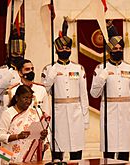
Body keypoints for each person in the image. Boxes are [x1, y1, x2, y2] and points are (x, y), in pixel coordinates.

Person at [90, 21, 130, 161]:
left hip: (126, 113)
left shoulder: (129, 68)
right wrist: (102, 78)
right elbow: (94, 94)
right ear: (109, 50)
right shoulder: (101, 69)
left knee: (124, 151)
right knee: (109, 150)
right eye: (115, 48)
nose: (118, 50)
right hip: (109, 114)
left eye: (120, 48)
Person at [41, 19, 89, 161]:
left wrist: (85, 118)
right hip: (58, 112)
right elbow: (45, 91)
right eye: (61, 48)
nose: (65, 51)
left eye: (67, 48)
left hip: (76, 111)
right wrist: (52, 74)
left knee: (76, 148)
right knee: (58, 149)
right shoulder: (49, 69)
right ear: (56, 50)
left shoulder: (78, 68)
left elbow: (84, 94)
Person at [0, 85, 48, 164]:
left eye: (30, 98)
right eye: (25, 98)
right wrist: (18, 136)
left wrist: (42, 135)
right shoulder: (8, 113)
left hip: (29, 157)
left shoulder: (34, 112)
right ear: (17, 98)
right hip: (9, 156)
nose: (28, 101)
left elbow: (37, 137)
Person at [0, 25, 26, 122]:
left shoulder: (26, 69)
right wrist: (8, 75)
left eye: (20, 54)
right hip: (6, 110)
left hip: (24, 112)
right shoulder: (0, 72)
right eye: (15, 54)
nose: (18, 56)